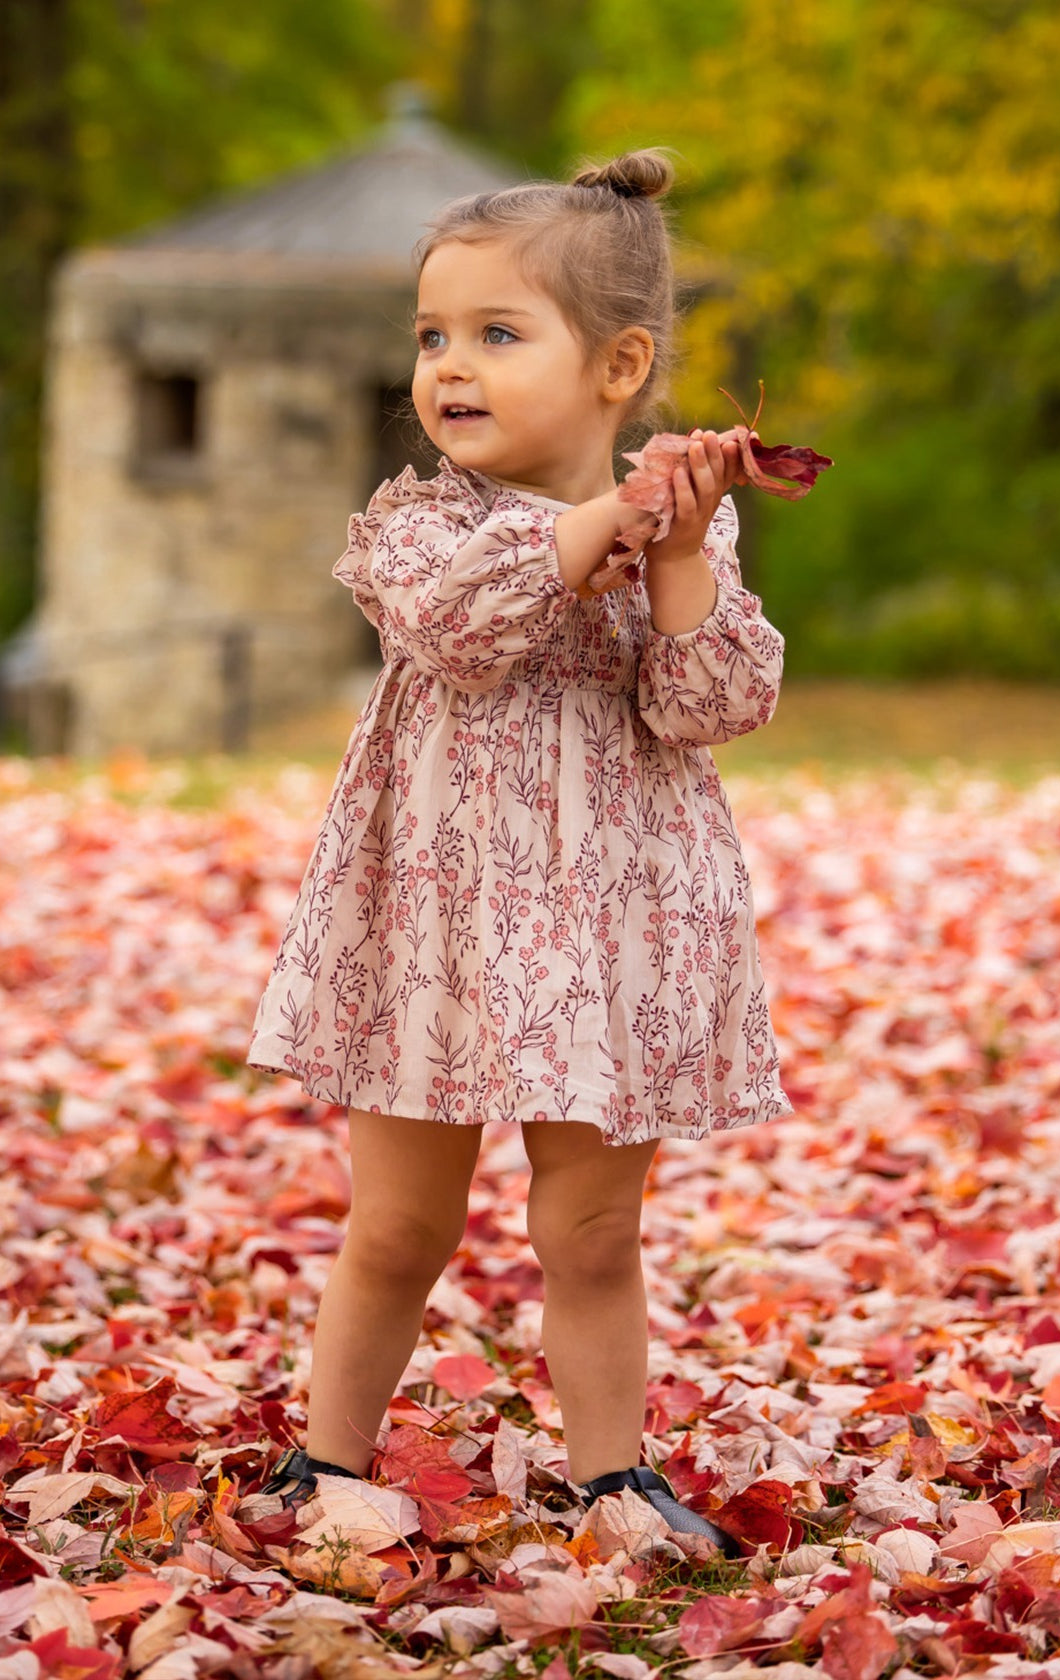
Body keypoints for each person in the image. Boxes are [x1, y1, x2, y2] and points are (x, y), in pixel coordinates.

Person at [247, 148, 791, 1556]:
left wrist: (674, 557)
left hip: (611, 929)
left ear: (618, 366)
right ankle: (327, 1457)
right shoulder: (421, 524)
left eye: (497, 333)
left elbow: (710, 705)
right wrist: (608, 524)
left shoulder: (685, 537)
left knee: (592, 1231)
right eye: (432, 337)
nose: (450, 366)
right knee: (397, 1226)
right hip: (434, 925)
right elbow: (457, 628)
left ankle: (614, 1480)